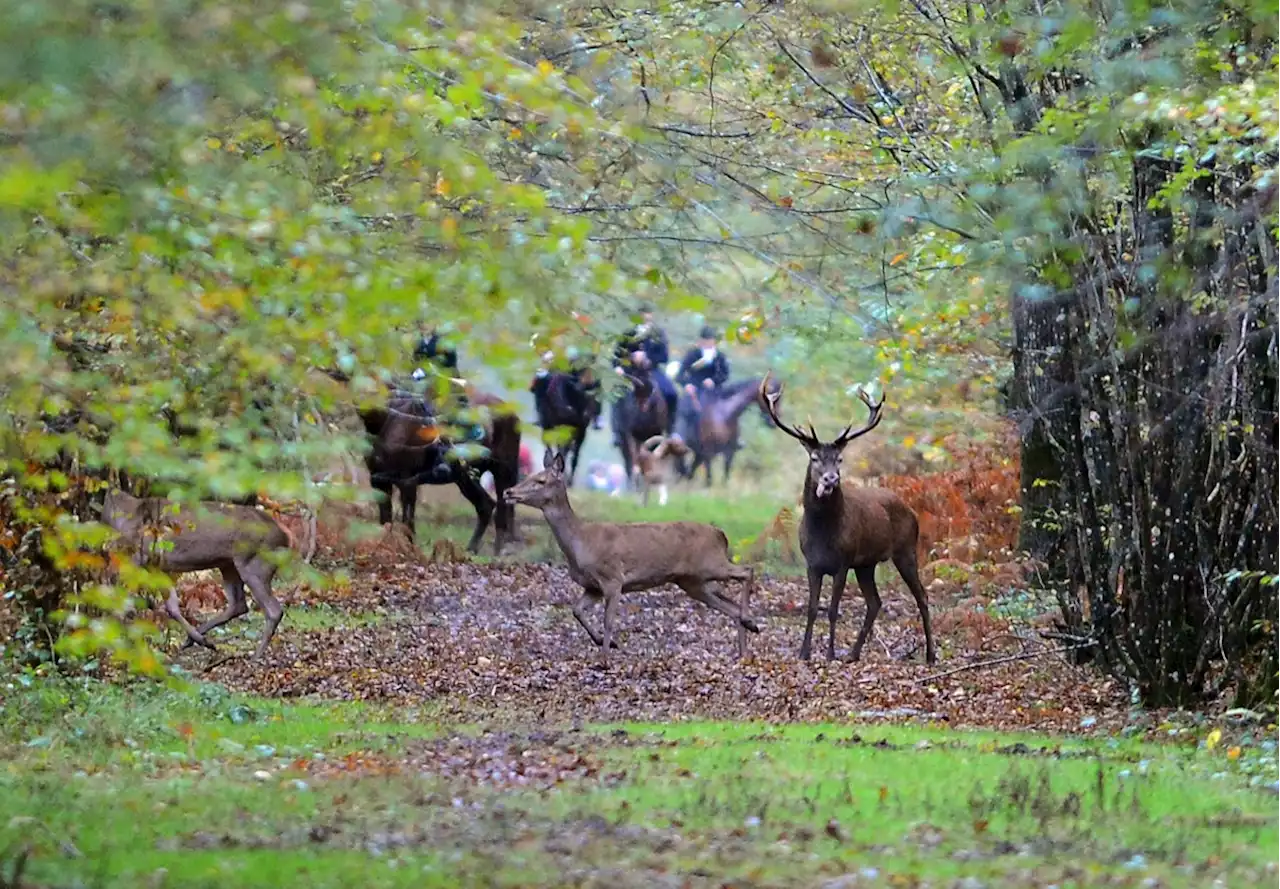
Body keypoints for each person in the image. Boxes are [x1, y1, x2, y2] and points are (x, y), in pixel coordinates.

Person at [613, 304, 678, 432]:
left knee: (671, 392)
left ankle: (671, 429)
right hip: (631, 372)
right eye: (642, 313)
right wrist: (622, 364)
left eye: (647, 313)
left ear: (651, 315)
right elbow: (617, 354)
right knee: (617, 395)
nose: (645, 316)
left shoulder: (658, 334)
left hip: (652, 371)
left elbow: (664, 356)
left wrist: (648, 358)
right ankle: (618, 430)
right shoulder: (628, 333)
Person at [675, 325, 731, 441]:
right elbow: (680, 375)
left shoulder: (720, 357)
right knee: (684, 407)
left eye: (710, 340)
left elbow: (725, 374)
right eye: (705, 340)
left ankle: (733, 438)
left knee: (729, 408)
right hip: (695, 390)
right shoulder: (692, 354)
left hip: (715, 391)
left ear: (714, 341)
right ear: (700, 340)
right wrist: (687, 385)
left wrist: (713, 381)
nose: (707, 343)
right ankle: (678, 435)